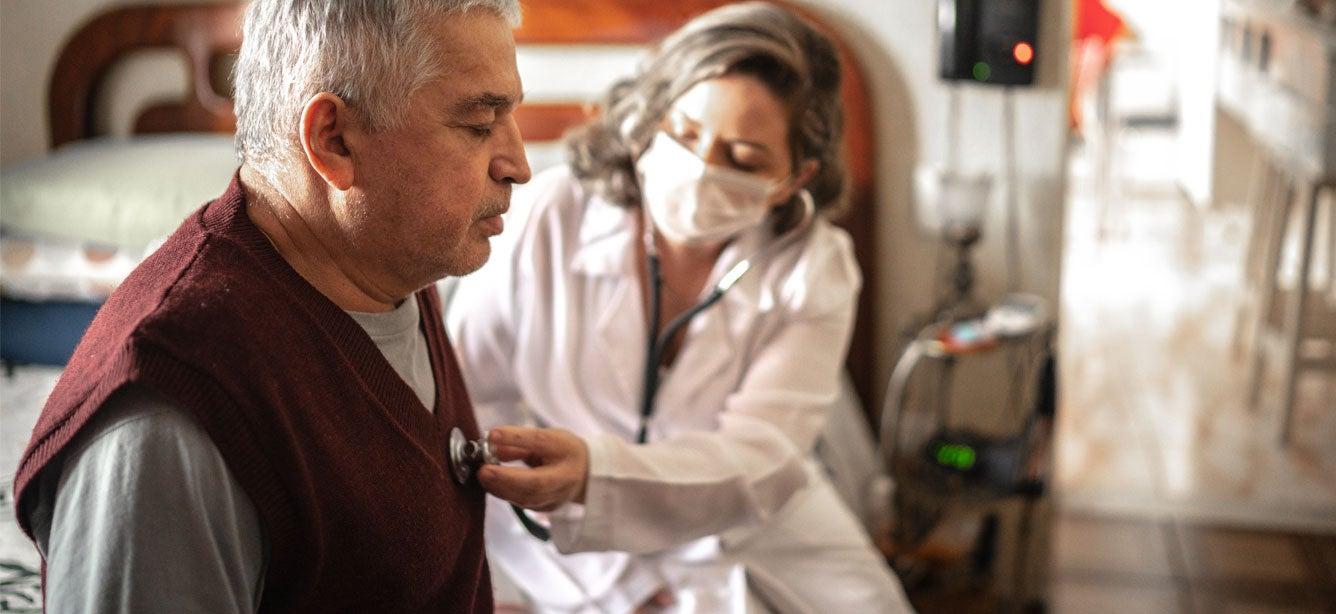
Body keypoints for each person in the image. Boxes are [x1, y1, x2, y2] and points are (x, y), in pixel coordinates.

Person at [11, 0, 530, 611]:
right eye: (478, 126)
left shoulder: (393, 260)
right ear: (333, 140)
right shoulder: (174, 415)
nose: (518, 165)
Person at [446, 3, 913, 611]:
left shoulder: (815, 267)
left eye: (744, 160)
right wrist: (601, 566)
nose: (700, 170)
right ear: (650, 115)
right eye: (686, 133)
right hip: (558, 512)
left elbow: (762, 453)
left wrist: (600, 470)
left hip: (752, 514)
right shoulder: (548, 217)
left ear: (796, 179)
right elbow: (469, 406)